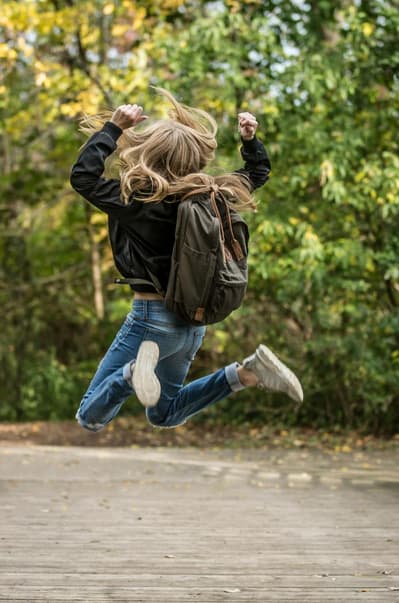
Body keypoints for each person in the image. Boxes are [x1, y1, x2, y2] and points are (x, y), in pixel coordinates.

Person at [70, 88, 303, 432]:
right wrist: (249, 141)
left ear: (149, 152)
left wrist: (114, 128)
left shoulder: (136, 200)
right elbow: (257, 173)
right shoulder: (213, 195)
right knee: (165, 413)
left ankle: (133, 373)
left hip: (150, 321)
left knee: (89, 416)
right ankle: (247, 373)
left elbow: (83, 177)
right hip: (192, 324)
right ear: (194, 158)